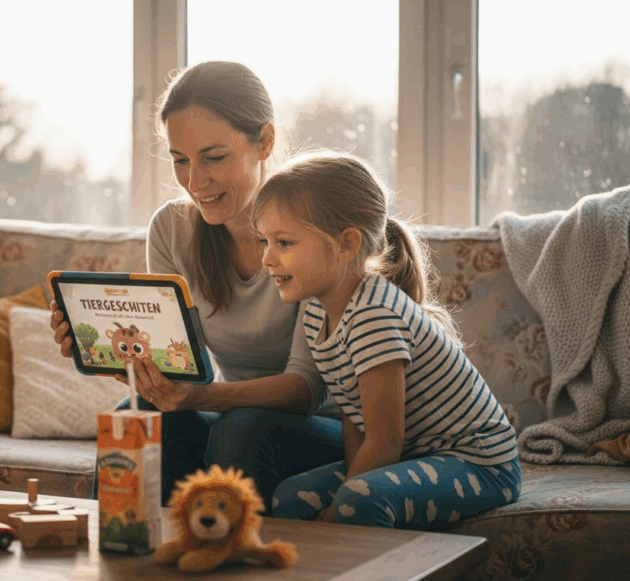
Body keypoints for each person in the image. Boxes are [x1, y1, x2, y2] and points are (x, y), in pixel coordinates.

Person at [48, 61, 344, 510]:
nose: (194, 182)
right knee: (136, 417)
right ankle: (118, 562)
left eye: (214, 157)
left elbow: (307, 387)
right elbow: (180, 362)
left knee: (242, 428)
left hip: (327, 422)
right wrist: (116, 358)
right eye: (180, 160)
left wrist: (202, 396)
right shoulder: (171, 229)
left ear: (263, 142)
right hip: (230, 409)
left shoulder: (309, 231)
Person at [250, 150, 520, 529]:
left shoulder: (373, 315)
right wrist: (346, 483)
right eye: (264, 242)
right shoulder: (315, 314)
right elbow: (352, 413)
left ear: (346, 243)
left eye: (284, 243)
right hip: (418, 455)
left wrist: (338, 508)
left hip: (480, 462)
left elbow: (386, 441)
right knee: (289, 497)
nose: (267, 258)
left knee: (358, 500)